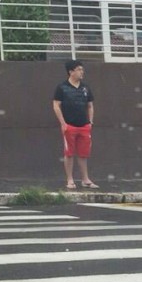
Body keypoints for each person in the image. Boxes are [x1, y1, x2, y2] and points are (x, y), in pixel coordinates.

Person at [52, 59, 97, 190]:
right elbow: (56, 105)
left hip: (84, 125)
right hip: (69, 125)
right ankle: (70, 180)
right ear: (71, 71)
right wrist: (63, 123)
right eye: (79, 69)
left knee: (84, 154)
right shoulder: (62, 88)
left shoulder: (85, 87)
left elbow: (90, 105)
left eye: (82, 69)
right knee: (69, 153)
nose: (82, 72)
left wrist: (90, 122)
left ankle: (85, 179)